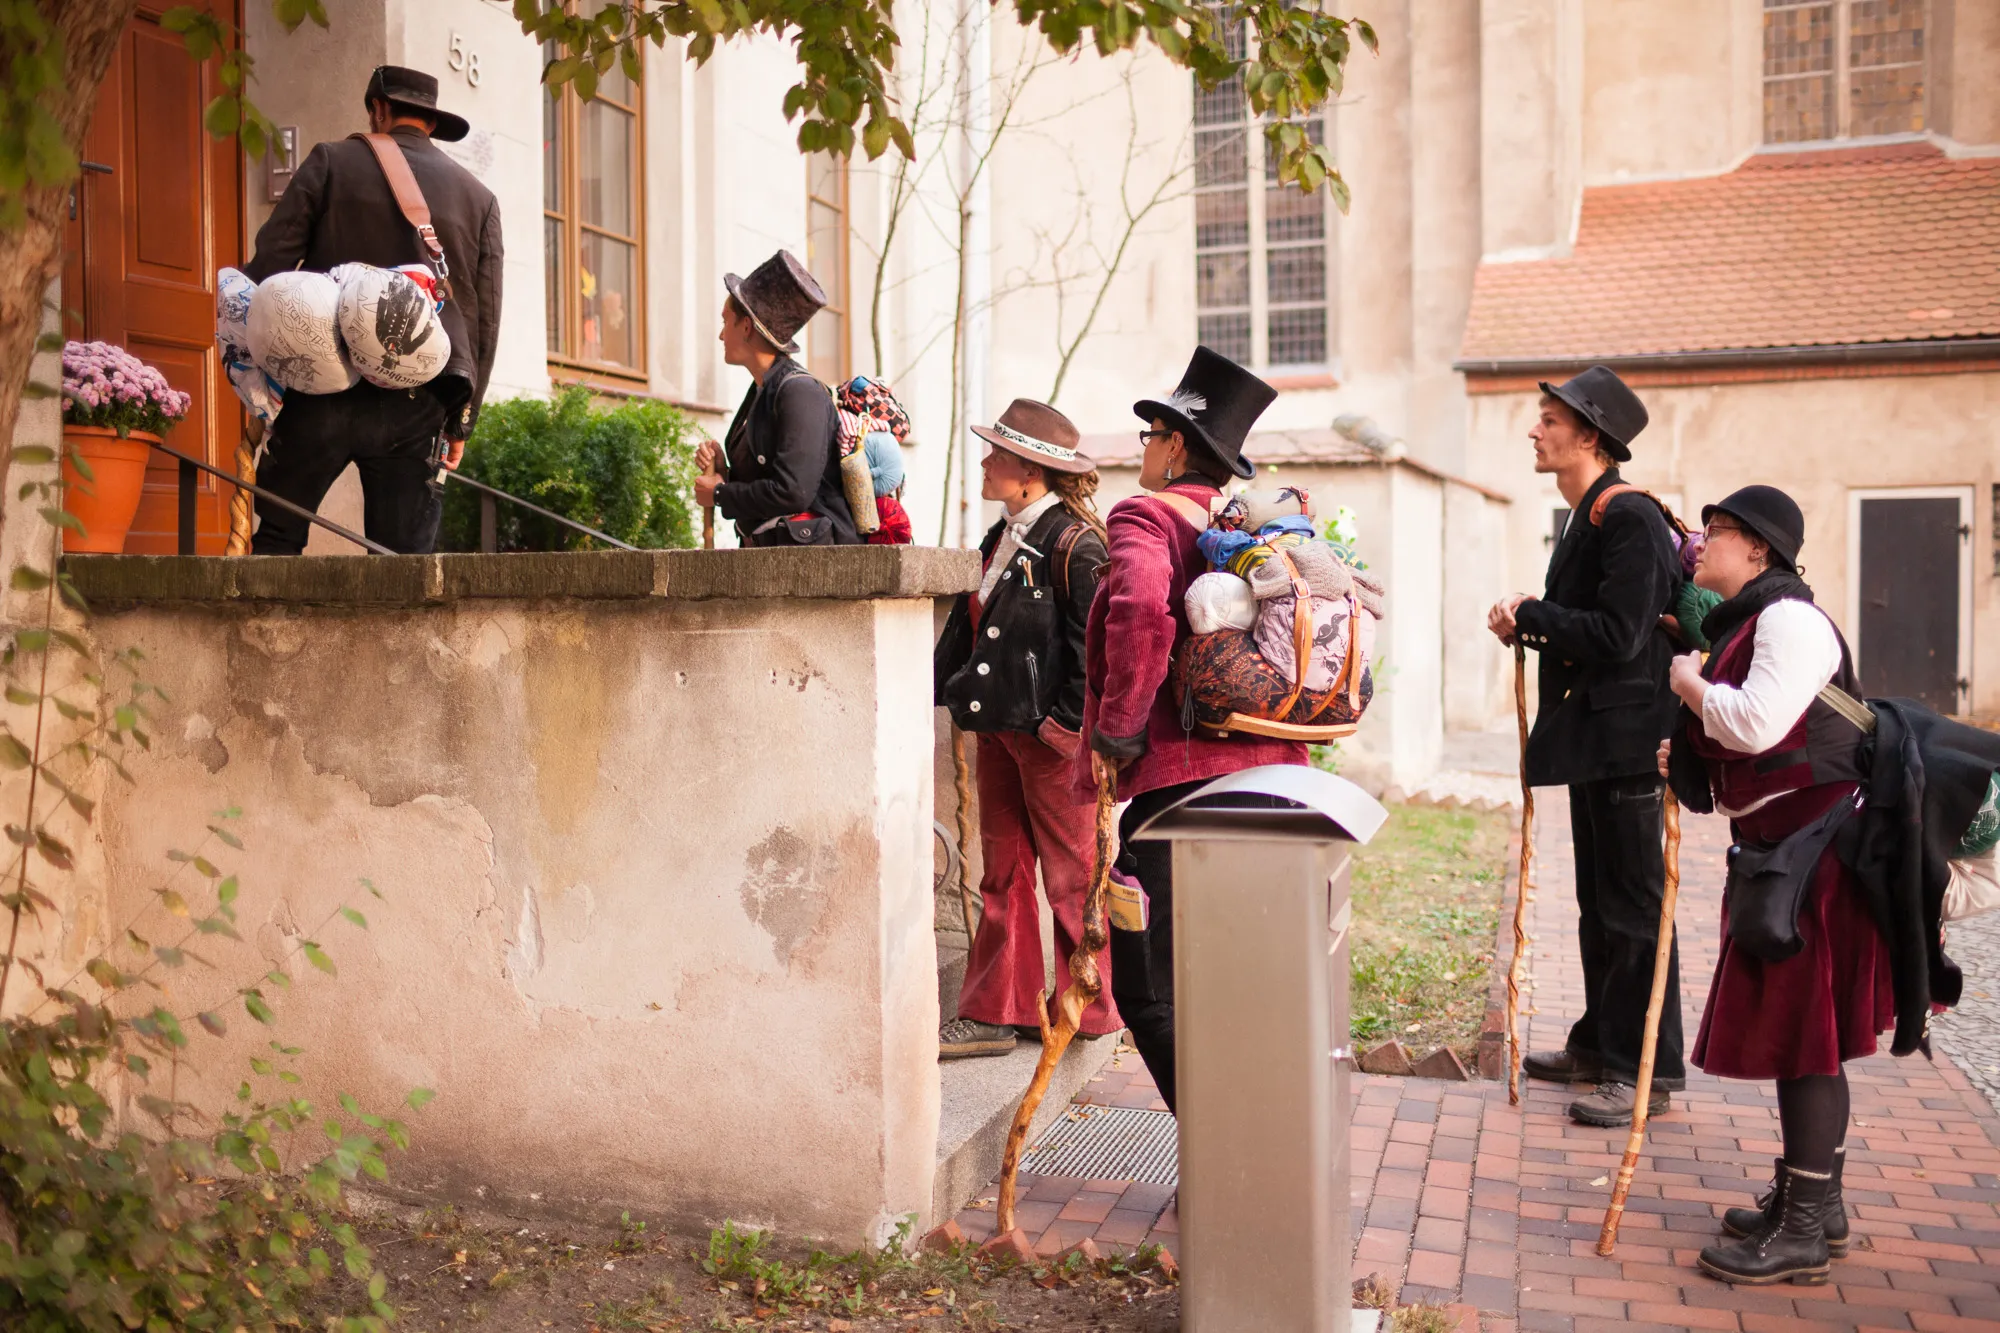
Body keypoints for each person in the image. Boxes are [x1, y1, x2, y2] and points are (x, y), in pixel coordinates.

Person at [1655, 486, 1883, 1285]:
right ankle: (1814, 1202)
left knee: (1807, 1040)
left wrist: (1687, 682)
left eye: (1711, 533)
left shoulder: (1789, 619)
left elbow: (1752, 722)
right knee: (1804, 1036)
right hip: (1788, 851)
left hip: (1816, 855)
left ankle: (1802, 1232)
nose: (1699, 545)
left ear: (1755, 547)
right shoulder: (1751, 621)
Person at [1077, 346, 1301, 1112]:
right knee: (1238, 982)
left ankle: (1225, 1159)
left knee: (1151, 990)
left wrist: (1118, 729)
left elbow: (1141, 610)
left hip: (1184, 793)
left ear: (1175, 446)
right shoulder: (1252, 528)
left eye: (1150, 435)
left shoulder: (1143, 514)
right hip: (1279, 786)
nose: (1142, 449)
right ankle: (1253, 1154)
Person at [1485, 366, 1686, 1128]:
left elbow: (1621, 633)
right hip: (1601, 741)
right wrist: (1526, 619)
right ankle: (1599, 1044)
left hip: (1634, 743)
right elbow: (1583, 620)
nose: (1535, 431)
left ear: (1590, 437)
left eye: (1549, 419)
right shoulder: (1585, 515)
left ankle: (1645, 1072)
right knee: (1599, 905)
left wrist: (1536, 611)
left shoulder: (1628, 516)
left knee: (1634, 909)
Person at [245, 66, 503, 554]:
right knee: (401, 564)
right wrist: (460, 420)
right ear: (430, 121)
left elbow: (269, 269)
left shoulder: (331, 161)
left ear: (378, 110)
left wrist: (256, 368)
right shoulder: (479, 198)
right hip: (417, 401)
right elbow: (482, 322)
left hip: (319, 388)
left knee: (277, 540)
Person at [934, 400, 1116, 1059]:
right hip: (998, 734)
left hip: (1050, 746)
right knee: (1001, 873)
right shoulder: (1000, 535)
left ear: (1030, 472)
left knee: (1072, 877)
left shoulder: (1077, 543)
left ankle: (1084, 1010)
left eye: (997, 455)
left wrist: (1060, 729)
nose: (985, 462)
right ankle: (995, 1012)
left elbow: (1097, 651)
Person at [694, 251, 858, 546]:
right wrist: (724, 472)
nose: (721, 335)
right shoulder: (762, 389)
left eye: (725, 321)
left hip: (812, 572)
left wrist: (720, 494)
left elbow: (793, 492)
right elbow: (767, 481)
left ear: (746, 327)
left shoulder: (800, 392)